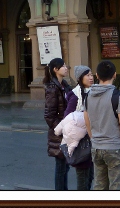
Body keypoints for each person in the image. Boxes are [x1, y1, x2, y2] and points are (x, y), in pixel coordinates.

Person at [83, 60, 120, 190]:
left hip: (97, 147)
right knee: (119, 187)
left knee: (100, 186)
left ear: (97, 76)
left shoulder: (88, 96)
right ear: (115, 75)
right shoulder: (117, 95)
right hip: (115, 147)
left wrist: (93, 138)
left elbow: (86, 119)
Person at [44, 57, 73, 190]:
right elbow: (49, 116)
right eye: (63, 66)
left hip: (68, 131)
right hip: (60, 133)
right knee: (61, 167)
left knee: (65, 167)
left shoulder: (64, 85)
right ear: (56, 69)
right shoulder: (52, 88)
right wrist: (61, 129)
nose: (66, 68)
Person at [71, 66, 95, 190]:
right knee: (82, 177)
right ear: (80, 78)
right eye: (88, 75)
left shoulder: (94, 91)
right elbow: (69, 118)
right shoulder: (74, 95)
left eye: (92, 75)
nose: (91, 78)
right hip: (81, 142)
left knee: (90, 175)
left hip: (93, 139)